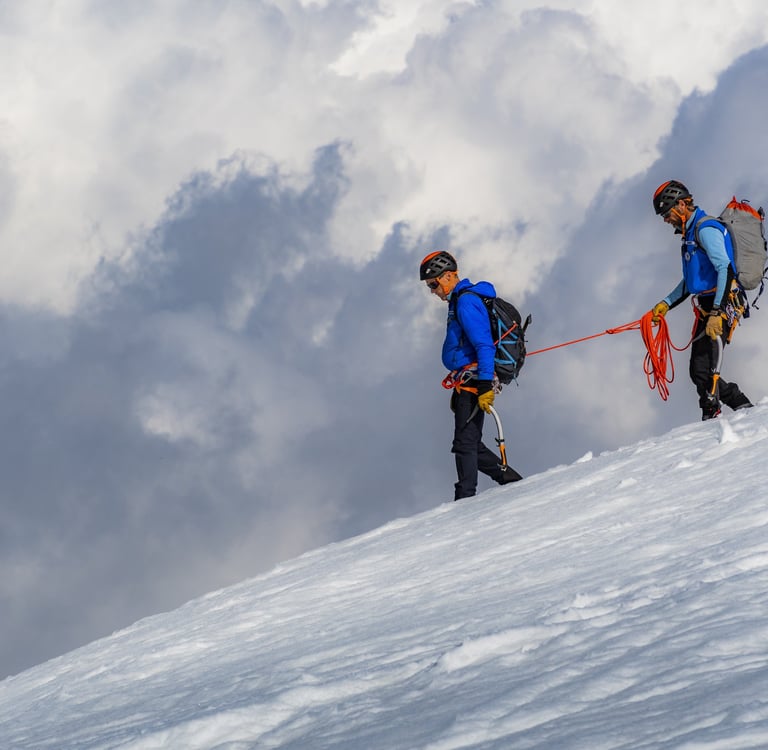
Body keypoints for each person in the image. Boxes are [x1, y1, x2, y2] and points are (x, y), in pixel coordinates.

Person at [420, 250, 522, 500]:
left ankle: (465, 500)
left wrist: (486, 385)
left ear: (449, 276)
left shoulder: (465, 302)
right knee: (469, 443)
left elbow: (484, 345)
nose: (433, 291)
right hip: (469, 379)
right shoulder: (460, 301)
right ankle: (512, 481)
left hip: (475, 380)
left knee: (465, 443)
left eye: (433, 284)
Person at [650, 180, 752, 420]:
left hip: (722, 303)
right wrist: (665, 304)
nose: (666, 219)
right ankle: (738, 410)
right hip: (708, 306)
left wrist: (717, 312)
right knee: (700, 371)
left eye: (667, 212)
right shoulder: (689, 234)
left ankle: (725, 413)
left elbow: (724, 269)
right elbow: (693, 280)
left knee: (704, 370)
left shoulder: (705, 230)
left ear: (683, 204)